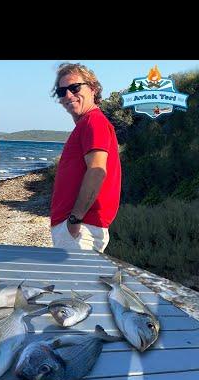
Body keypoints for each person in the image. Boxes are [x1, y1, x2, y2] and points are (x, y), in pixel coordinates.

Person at [50, 63, 121, 253]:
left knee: (74, 282)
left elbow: (97, 171)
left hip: (81, 228)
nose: (68, 95)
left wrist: (75, 219)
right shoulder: (86, 125)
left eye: (74, 88)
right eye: (61, 91)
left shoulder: (94, 122)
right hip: (78, 227)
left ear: (93, 88)